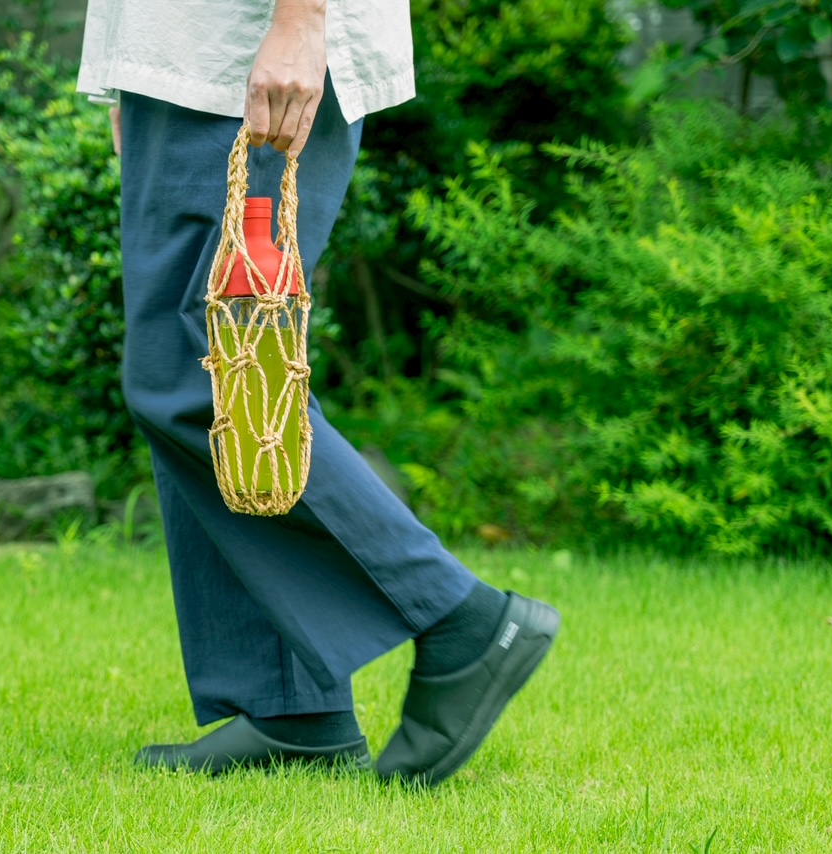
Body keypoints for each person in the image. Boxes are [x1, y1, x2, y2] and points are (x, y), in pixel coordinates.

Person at [78, 0, 560, 786]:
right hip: (183, 59)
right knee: (184, 368)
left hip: (253, 50)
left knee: (216, 372)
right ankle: (291, 710)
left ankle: (460, 618)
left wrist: (300, 19)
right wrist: (123, 72)